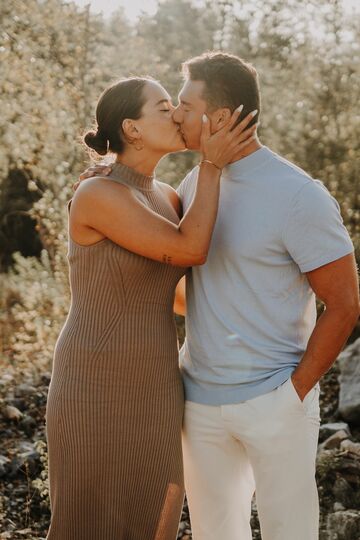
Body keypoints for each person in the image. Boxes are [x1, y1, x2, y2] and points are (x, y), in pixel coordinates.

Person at [82, 53, 359, 540]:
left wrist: (294, 392)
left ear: (224, 117)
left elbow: (344, 304)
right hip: (200, 405)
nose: (177, 115)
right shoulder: (194, 182)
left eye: (185, 103)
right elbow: (168, 269)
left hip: (274, 401)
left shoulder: (300, 195)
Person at [45, 75, 257, 540]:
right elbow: (190, 251)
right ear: (132, 128)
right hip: (93, 380)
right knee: (86, 516)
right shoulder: (97, 194)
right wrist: (212, 166)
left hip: (157, 382)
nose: (178, 114)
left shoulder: (169, 197)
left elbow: (177, 294)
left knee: (153, 509)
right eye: (164, 108)